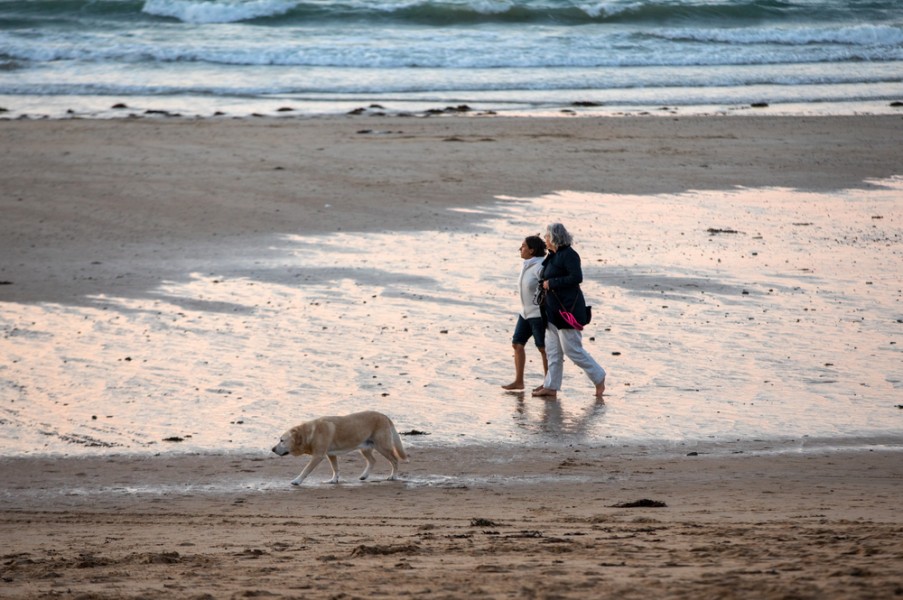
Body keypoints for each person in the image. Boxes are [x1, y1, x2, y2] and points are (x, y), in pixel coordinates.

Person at [532, 223, 606, 399]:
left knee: (572, 350)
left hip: (568, 310)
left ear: (555, 238)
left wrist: (552, 283)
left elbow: (576, 277)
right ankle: (551, 386)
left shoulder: (569, 255)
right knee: (553, 351)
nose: (545, 240)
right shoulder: (553, 256)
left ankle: (599, 377)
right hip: (552, 310)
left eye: (547, 237)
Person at [501, 235, 549, 391]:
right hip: (524, 313)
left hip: (538, 315)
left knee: (543, 349)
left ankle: (549, 384)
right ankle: (519, 381)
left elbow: (549, 288)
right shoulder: (527, 264)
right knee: (517, 344)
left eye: (523, 246)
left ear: (532, 250)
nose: (520, 249)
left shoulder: (541, 267)